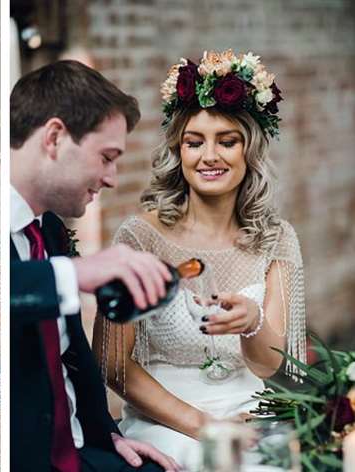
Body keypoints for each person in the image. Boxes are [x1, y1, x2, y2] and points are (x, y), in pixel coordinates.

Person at [94, 50, 306, 469]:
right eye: (195, 142)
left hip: (250, 413)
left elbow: (276, 369)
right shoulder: (140, 238)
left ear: (250, 150)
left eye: (227, 141)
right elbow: (113, 365)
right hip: (168, 419)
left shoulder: (276, 239)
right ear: (179, 150)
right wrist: (204, 426)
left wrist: (253, 325)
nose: (209, 156)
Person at [11, 60, 180, 472]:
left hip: (85, 448)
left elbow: (73, 352)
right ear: (54, 138)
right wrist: (74, 275)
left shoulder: (48, 229)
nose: (112, 179)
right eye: (107, 157)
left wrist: (111, 434)